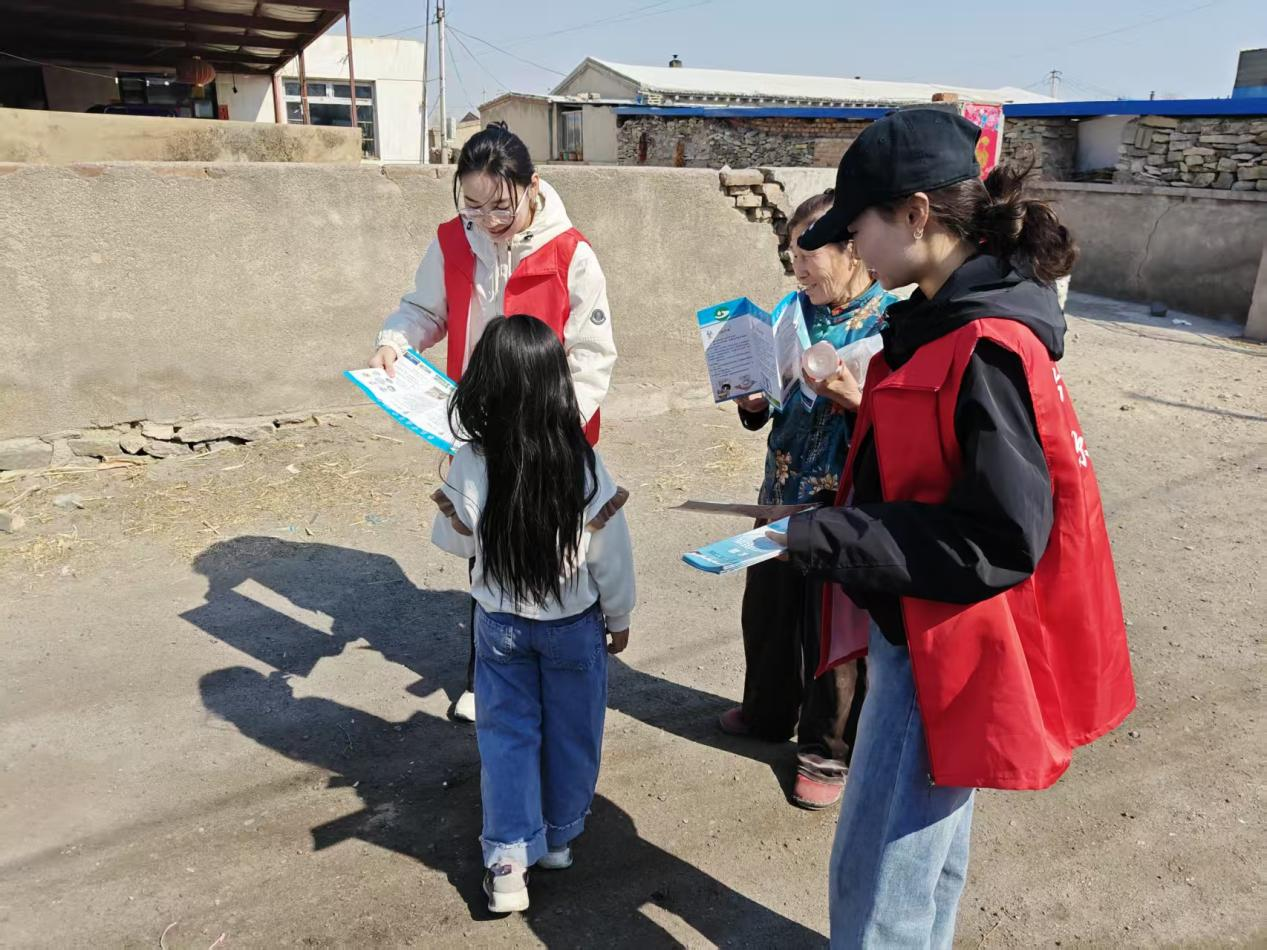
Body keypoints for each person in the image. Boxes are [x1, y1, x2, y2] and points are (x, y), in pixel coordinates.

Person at [781, 109, 1136, 947]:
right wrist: (829, 520)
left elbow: (999, 538)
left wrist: (832, 540)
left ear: (914, 214)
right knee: (922, 856)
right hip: (930, 622)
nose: (851, 249)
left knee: (878, 875)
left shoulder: (982, 343)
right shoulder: (942, 319)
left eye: (857, 228)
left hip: (942, 638)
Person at [371, 123, 618, 723]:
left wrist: (555, 428)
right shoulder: (454, 241)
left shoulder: (571, 253)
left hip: (550, 437)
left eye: (501, 206)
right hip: (481, 433)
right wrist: (395, 341)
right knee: (486, 554)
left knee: (559, 558)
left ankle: (562, 674)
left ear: (532, 186)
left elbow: (591, 357)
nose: (487, 221)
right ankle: (488, 677)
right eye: (472, 205)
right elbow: (424, 308)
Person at [430, 315, 635, 914]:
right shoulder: (584, 461)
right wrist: (619, 616)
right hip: (573, 627)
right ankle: (558, 840)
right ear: (556, 383)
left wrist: (463, 516)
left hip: (499, 627)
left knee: (507, 739)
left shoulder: (471, 459)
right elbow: (611, 556)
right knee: (572, 732)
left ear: (484, 381)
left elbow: (457, 545)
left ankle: (507, 865)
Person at [718, 190, 896, 811]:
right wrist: (751, 402)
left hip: (842, 503)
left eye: (808, 256)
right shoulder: (789, 313)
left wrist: (857, 401)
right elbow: (767, 405)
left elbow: (905, 425)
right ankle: (767, 712)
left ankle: (827, 750)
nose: (797, 270)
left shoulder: (890, 323)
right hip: (780, 489)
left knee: (833, 630)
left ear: (853, 251)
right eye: (791, 256)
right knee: (768, 611)